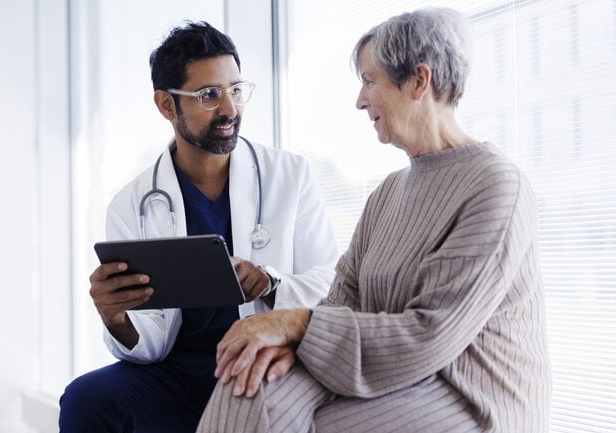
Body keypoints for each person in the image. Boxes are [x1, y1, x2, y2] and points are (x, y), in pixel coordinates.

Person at [197, 8, 551, 433]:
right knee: (247, 385)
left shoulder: (495, 187)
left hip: (469, 393)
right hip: (391, 375)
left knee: (313, 421)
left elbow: (429, 334)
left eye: (369, 80)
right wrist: (293, 341)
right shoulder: (388, 193)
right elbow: (342, 301)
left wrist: (296, 325)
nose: (360, 100)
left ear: (419, 80)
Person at [58, 21, 338, 433]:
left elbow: (330, 285)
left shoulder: (290, 176)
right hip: (177, 372)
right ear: (166, 105)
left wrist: (270, 283)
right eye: (209, 95)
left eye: (235, 90)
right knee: (86, 399)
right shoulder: (131, 205)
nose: (229, 109)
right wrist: (116, 319)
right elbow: (150, 346)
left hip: (261, 358)